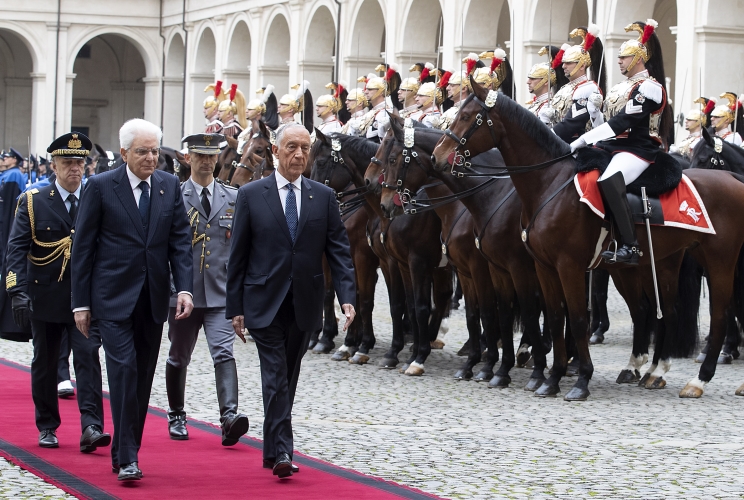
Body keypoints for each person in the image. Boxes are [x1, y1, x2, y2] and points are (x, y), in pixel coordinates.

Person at [226, 124, 356, 478]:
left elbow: (339, 252)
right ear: (275, 151)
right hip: (262, 301)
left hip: (305, 302)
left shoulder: (323, 197)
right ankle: (284, 450)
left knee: (287, 375)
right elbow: (238, 256)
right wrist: (235, 307)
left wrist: (347, 297)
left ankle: (272, 450)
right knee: (275, 373)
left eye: (305, 148)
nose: (299, 154)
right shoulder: (252, 194)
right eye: (291, 147)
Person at [71, 118, 194, 481]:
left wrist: (184, 288)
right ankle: (128, 458)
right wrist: (81, 303)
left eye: (155, 151)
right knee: (123, 371)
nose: (151, 158)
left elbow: (180, 242)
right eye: (142, 152)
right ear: (124, 153)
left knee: (141, 379)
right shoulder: (100, 186)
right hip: (111, 299)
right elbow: (83, 248)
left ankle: (126, 450)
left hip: (152, 300)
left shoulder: (169, 186)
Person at [5, 132, 110, 452]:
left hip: (85, 299)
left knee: (88, 357)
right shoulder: (34, 201)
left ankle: (91, 425)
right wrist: (17, 291)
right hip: (46, 296)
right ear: (54, 166)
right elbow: (16, 250)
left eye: (80, 162)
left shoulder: (97, 197)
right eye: (67, 163)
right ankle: (47, 425)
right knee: (46, 362)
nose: (75, 168)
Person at [165, 133, 249, 446]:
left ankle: (229, 417)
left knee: (223, 351)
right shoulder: (175, 195)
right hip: (183, 293)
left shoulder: (233, 197)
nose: (206, 161)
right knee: (178, 354)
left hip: (220, 292)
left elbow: (241, 248)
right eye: (200, 156)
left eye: (211, 156)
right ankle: (176, 414)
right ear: (189, 158)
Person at [570, 19, 670, 265]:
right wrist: (594, 113)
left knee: (609, 180)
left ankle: (631, 245)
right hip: (614, 146)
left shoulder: (649, 87)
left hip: (638, 149)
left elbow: (623, 122)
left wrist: (583, 139)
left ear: (639, 58)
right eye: (619, 57)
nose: (619, 61)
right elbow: (608, 123)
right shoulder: (620, 88)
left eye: (624, 57)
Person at [551, 25, 605, 143]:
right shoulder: (564, 88)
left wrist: (548, 135)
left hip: (577, 143)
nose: (563, 66)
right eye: (563, 62)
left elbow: (574, 122)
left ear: (582, 65)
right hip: (558, 141)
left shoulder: (588, 87)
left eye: (569, 63)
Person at [0, 147, 30, 342]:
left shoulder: (13, 175)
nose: (4, 159)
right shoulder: (7, 174)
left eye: (7, 157)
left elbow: (10, 207)